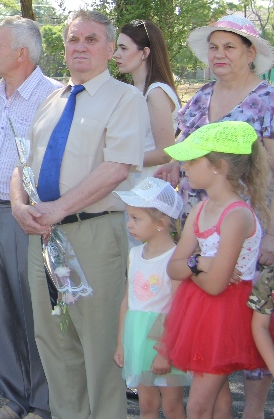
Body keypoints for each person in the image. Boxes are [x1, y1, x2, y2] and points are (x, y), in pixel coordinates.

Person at [10, 9, 150, 419]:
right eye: (73, 39)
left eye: (91, 39)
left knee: (100, 346)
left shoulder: (126, 100)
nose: (80, 47)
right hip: (44, 239)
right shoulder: (51, 100)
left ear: (110, 48)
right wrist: (20, 207)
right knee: (54, 342)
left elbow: (118, 167)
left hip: (94, 235)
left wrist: (57, 209)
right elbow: (25, 164)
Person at [153, 15, 274, 416]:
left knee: (248, 320)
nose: (219, 54)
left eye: (230, 47)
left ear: (250, 53)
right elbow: (181, 148)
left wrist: (272, 234)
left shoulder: (267, 100)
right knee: (211, 338)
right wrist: (172, 167)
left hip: (248, 223)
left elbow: (271, 170)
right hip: (200, 216)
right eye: (214, 46)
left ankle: (254, 411)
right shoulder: (201, 96)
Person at [0, 17, 60, 419]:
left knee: (36, 312)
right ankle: (13, 400)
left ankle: (43, 405)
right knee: (0, 309)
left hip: (30, 218)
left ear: (21, 53)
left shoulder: (54, 97)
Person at [162, 121, 270, 418]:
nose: (184, 166)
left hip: (226, 313)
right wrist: (200, 263)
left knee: (197, 406)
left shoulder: (236, 216)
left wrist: (193, 264)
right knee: (218, 401)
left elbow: (216, 286)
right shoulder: (200, 210)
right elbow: (173, 267)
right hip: (201, 311)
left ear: (219, 167)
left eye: (193, 160)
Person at [113, 177, 189, 419]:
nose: (128, 224)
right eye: (129, 217)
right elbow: (127, 301)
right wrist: (121, 343)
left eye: (136, 218)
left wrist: (165, 350)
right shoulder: (134, 254)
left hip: (162, 337)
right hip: (136, 338)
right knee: (146, 404)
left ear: (160, 222)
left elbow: (179, 307)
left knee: (172, 405)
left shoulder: (175, 259)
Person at [113, 19, 180, 177]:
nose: (116, 54)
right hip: (127, 183)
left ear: (144, 53)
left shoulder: (156, 92)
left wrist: (116, 162)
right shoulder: (133, 90)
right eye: (117, 47)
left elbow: (165, 153)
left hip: (145, 185)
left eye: (123, 48)